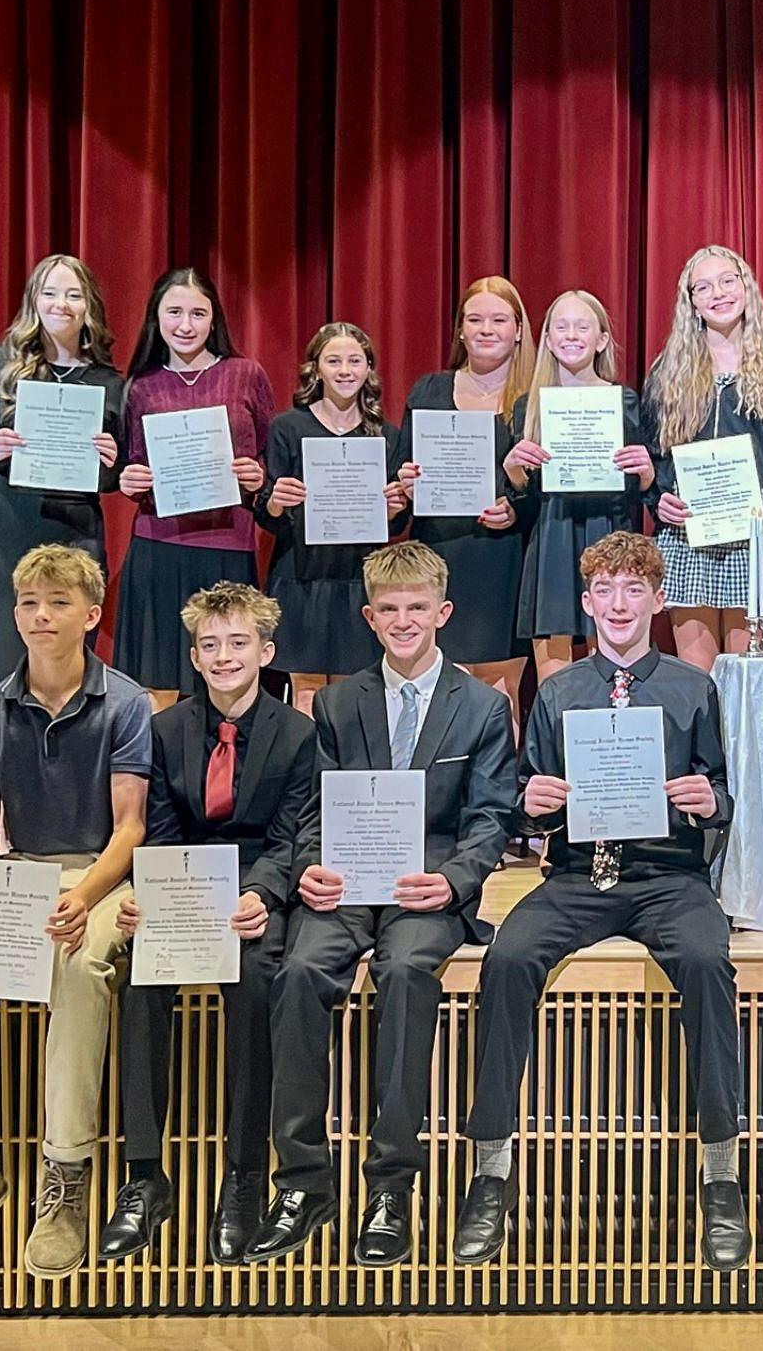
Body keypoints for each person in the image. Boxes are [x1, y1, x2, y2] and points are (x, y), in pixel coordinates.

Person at [452, 532, 750, 1269]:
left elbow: (722, 795)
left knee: (711, 961)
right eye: (605, 592)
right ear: (586, 604)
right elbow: (528, 806)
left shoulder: (692, 688)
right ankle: (491, 1171)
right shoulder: (557, 693)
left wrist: (707, 797)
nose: (619, 605)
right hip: (579, 876)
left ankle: (722, 1175)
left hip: (667, 877)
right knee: (509, 956)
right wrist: (535, 800)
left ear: (656, 599)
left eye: (633, 590)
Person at [246, 542, 516, 1266]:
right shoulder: (335, 702)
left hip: (426, 889)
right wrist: (310, 868)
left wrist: (456, 881)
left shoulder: (484, 705)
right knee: (299, 971)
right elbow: (310, 811)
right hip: (347, 881)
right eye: (389, 609)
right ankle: (304, 1180)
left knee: (403, 974)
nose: (404, 620)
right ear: (369, 616)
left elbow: (491, 818)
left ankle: (390, 1184)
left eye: (417, 608)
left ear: (443, 612)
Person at [0, 545, 152, 1277]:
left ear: (91, 614)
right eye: (28, 603)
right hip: (18, 873)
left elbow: (130, 829)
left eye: (56, 602)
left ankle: (65, 1175)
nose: (40, 615)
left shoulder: (128, 701)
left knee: (79, 970)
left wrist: (80, 898)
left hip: (100, 878)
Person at [98, 583, 317, 1264]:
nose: (224, 656)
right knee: (139, 978)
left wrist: (261, 893)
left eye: (239, 642)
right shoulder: (164, 730)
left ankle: (245, 1175)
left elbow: (295, 836)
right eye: (211, 645)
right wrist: (152, 895)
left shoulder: (299, 732)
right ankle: (144, 1175)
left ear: (267, 652)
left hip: (256, 891)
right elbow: (158, 829)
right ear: (194, 656)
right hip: (185, 886)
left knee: (256, 982)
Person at [0, 254, 126, 712]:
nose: (61, 304)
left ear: (89, 307)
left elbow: (116, 476)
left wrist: (111, 464)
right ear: (33, 302)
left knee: (62, 686)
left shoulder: (111, 382)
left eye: (73, 294)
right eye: (50, 292)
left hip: (70, 536)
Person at [112, 268, 277, 702]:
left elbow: (269, 459)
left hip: (228, 546)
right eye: (174, 312)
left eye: (198, 313)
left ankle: (225, 770)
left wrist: (259, 475)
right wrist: (127, 479)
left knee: (227, 683)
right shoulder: (139, 385)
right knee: (157, 686)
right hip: (158, 547)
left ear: (214, 319)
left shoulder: (246, 374)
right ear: (156, 318)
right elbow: (127, 465)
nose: (185, 325)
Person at [645, 245, 763, 670]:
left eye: (727, 281)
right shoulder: (668, 372)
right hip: (688, 541)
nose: (718, 293)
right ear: (691, 301)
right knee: (696, 678)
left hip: (751, 543)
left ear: (746, 287)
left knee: (745, 676)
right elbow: (655, 457)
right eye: (704, 286)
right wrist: (659, 498)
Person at [395, 277, 536, 731]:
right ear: (460, 330)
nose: (486, 329)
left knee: (500, 691)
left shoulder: (534, 397)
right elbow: (401, 468)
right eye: (475, 319)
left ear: (518, 329)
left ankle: (496, 799)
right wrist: (406, 484)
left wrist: (516, 505)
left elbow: (552, 487)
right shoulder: (429, 390)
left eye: (499, 319)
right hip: (439, 555)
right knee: (438, 692)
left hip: (505, 558)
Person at [257, 322, 408, 714]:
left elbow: (393, 527)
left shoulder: (386, 436)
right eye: (334, 360)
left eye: (355, 361)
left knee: (351, 690)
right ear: (316, 369)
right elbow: (268, 515)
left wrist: (394, 507)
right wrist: (276, 502)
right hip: (300, 574)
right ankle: (307, 775)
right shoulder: (287, 428)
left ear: (368, 369)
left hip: (358, 577)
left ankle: (343, 776)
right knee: (305, 688)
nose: (345, 370)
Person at [506, 289, 654, 685]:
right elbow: (527, 502)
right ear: (549, 340)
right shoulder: (529, 406)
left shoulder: (624, 402)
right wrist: (514, 471)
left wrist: (646, 474)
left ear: (601, 339)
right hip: (552, 536)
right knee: (553, 679)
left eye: (582, 326)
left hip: (609, 529)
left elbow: (639, 491)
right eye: (562, 326)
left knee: (610, 664)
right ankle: (559, 746)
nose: (572, 335)